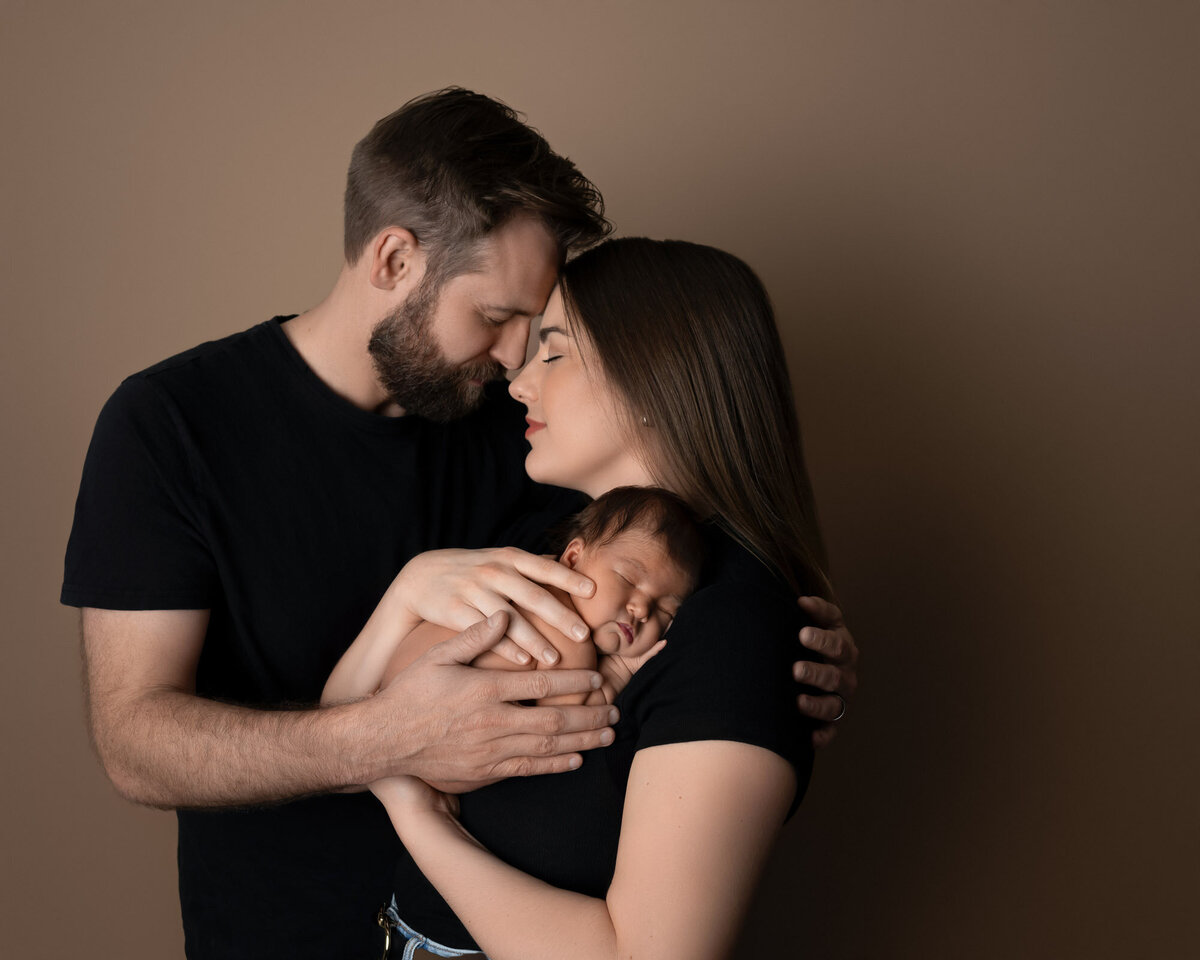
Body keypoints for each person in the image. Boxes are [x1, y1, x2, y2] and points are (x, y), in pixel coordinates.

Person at [60, 89, 858, 958]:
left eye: (542, 330)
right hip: (279, 934)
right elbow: (137, 743)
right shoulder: (173, 425)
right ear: (396, 260)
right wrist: (387, 741)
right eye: (498, 316)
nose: (518, 360)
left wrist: (782, 654)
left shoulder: (533, 439)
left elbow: (681, 555)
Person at [352, 237, 846, 959]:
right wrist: (406, 593)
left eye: (553, 353)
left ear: (651, 383)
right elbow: (355, 718)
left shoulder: (732, 625)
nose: (518, 383)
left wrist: (414, 814)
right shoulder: (541, 539)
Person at [325, 485, 705, 725]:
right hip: (414, 719)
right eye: (627, 579)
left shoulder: (522, 575)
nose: (642, 610)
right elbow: (579, 716)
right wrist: (622, 669)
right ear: (572, 558)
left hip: (379, 698)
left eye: (665, 611)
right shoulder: (567, 637)